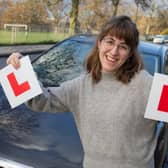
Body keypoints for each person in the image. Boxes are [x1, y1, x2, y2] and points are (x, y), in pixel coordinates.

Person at [7, 15, 158, 168]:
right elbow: (39, 101)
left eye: (123, 46)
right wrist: (19, 71)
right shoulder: (80, 86)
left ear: (130, 53)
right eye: (110, 42)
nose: (114, 51)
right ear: (100, 43)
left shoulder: (146, 85)